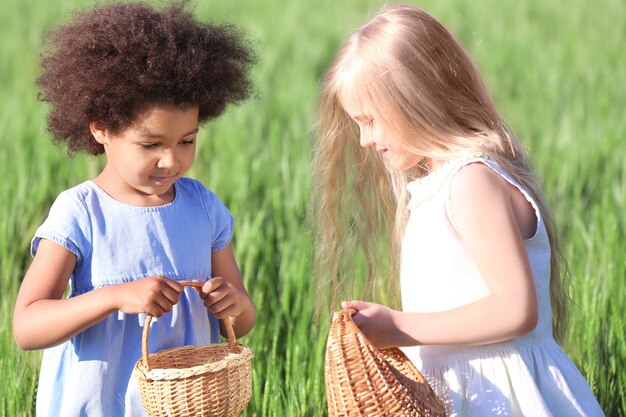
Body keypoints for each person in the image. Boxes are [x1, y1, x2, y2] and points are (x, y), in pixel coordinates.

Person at [311, 4, 605, 416]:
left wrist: (399, 327)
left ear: (414, 100)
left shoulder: (471, 182)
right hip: (471, 393)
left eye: (370, 120)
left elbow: (516, 308)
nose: (363, 139)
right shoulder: (436, 190)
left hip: (505, 399)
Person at [12, 3, 256, 416]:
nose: (171, 161)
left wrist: (234, 304)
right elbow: (27, 326)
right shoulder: (82, 212)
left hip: (182, 404)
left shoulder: (204, 208)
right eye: (150, 145)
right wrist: (114, 297)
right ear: (100, 128)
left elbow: (243, 318)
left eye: (186, 141)